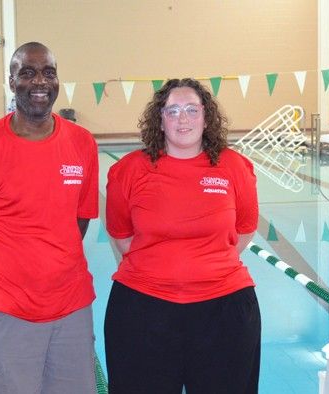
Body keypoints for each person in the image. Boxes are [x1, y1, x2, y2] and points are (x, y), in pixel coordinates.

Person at [0, 42, 99, 394]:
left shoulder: (81, 143)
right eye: (27, 73)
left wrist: (53, 262)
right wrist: (0, 278)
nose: (39, 82)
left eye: (48, 72)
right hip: (7, 312)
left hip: (71, 308)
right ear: (11, 81)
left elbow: (80, 218)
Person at [104, 78, 261, 394]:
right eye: (172, 111)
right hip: (143, 311)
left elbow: (244, 230)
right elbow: (121, 236)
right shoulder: (129, 170)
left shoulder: (234, 167)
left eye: (192, 109)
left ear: (207, 117)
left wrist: (205, 268)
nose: (183, 118)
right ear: (159, 120)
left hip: (224, 310)